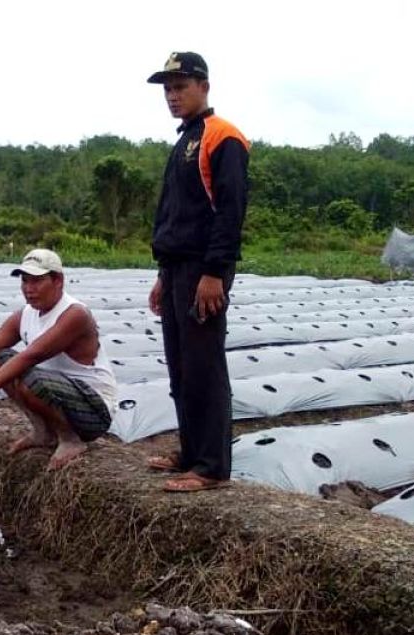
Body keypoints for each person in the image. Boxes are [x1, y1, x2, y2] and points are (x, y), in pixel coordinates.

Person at [145, 52, 249, 492]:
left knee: (204, 365)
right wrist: (163, 275)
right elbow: (176, 214)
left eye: (181, 86)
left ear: (204, 86)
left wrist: (213, 273)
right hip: (177, 269)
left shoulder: (222, 137)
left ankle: (210, 467)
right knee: (181, 367)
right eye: (168, 89)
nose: (173, 95)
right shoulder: (185, 139)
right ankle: (189, 452)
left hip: (203, 270)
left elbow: (229, 212)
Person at [0, 249, 117, 470]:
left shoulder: (75, 315)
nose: (29, 289)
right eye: (25, 281)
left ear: (57, 280)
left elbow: (33, 355)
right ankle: (44, 432)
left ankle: (71, 439)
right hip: (58, 394)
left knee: (31, 376)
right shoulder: (26, 315)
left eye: (37, 281)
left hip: (93, 411)